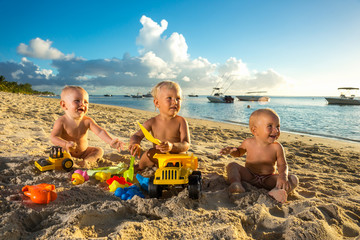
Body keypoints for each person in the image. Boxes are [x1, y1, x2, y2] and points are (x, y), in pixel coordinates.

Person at [220, 108, 298, 203]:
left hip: (268, 179)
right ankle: (236, 184)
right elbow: (239, 152)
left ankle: (276, 191)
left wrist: (283, 176)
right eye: (270, 126)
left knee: (293, 179)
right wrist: (232, 151)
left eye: (278, 126)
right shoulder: (248, 142)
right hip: (250, 176)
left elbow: (282, 165)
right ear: (255, 130)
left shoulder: (277, 147)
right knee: (232, 165)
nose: (276, 130)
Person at [50, 86, 125, 166]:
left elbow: (100, 132)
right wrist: (65, 144)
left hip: (83, 152)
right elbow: (53, 137)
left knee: (98, 151)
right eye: (77, 101)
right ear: (64, 105)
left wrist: (110, 141)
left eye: (85, 102)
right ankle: (74, 162)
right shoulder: (61, 121)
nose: (82, 104)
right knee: (59, 152)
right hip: (66, 153)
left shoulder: (87, 121)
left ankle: (86, 161)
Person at [129, 81, 190, 170]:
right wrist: (135, 143)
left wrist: (172, 146)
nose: (175, 102)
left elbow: (186, 144)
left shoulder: (181, 121)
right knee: (148, 154)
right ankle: (140, 167)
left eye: (178, 98)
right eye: (169, 98)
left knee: (185, 159)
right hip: (158, 157)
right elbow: (137, 135)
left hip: (176, 157)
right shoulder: (152, 122)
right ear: (157, 103)